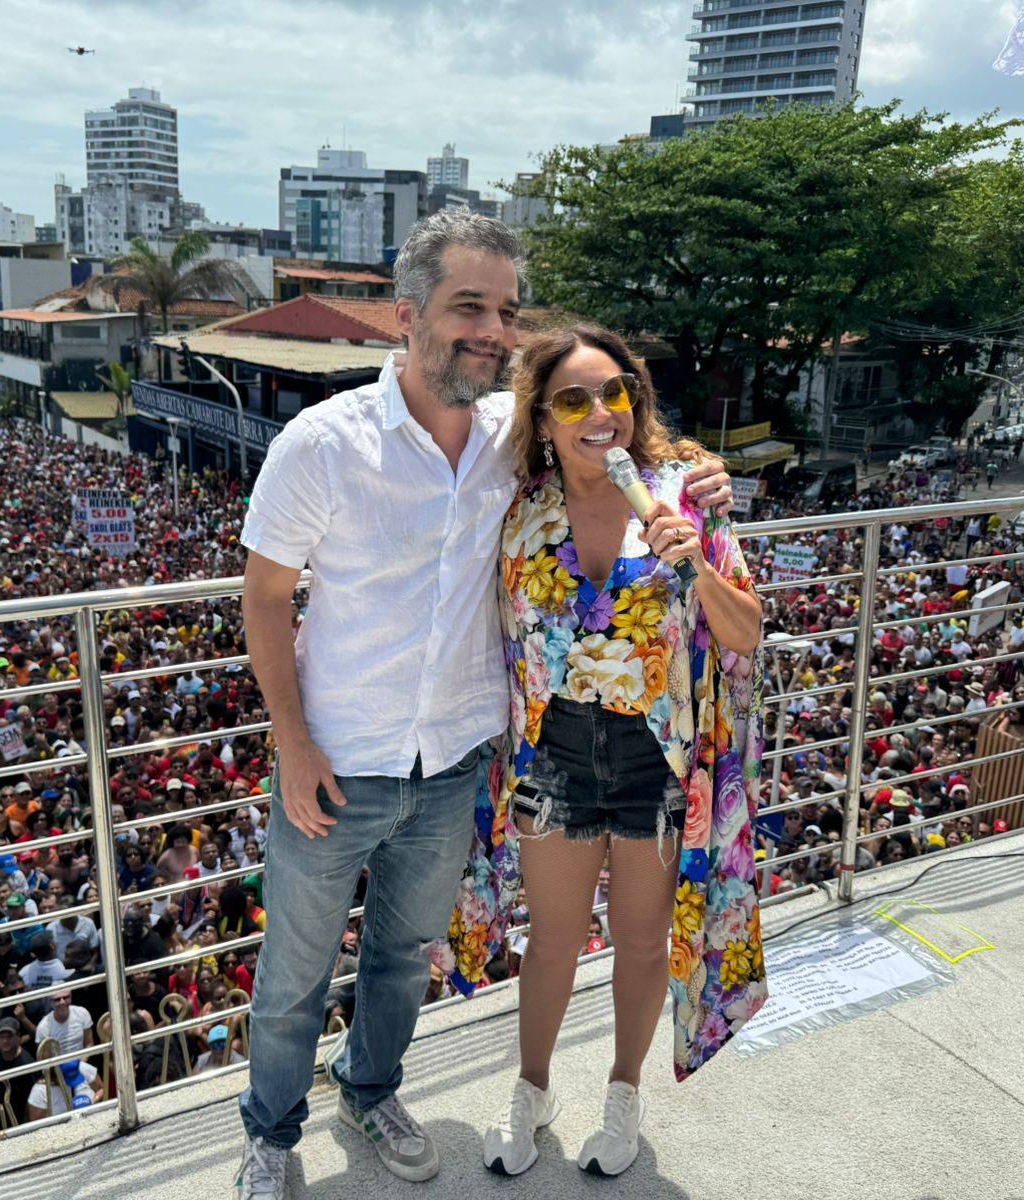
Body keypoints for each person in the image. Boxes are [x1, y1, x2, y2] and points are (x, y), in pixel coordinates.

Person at [235, 210, 733, 1198]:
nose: (493, 330)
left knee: (401, 956)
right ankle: (270, 1136)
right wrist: (291, 743)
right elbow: (263, 595)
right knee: (292, 972)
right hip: (337, 757)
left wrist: (703, 474)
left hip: (455, 760)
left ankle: (370, 1091)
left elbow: (616, 436)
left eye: (506, 311)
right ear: (406, 314)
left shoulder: (516, 433)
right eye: (469, 307)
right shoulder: (321, 443)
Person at [463, 324, 768, 1177]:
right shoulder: (515, 507)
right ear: (542, 419)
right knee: (551, 942)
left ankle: (624, 1092)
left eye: (615, 392)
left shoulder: (686, 496)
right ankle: (531, 1090)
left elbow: (747, 632)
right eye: (574, 400)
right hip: (553, 757)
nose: (601, 413)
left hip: (656, 762)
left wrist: (696, 563)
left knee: (641, 943)